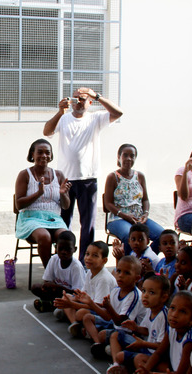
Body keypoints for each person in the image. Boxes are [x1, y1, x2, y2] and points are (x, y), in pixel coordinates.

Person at [43, 87, 123, 261]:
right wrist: (59, 112)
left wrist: (97, 95)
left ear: (90, 102)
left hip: (88, 179)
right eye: (75, 98)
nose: (77, 102)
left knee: (88, 224)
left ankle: (85, 261)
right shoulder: (64, 119)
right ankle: (63, 258)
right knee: (63, 222)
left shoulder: (96, 118)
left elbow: (118, 113)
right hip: (65, 179)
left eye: (82, 99)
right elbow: (47, 131)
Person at [14, 138, 71, 267]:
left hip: (54, 219)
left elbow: (66, 206)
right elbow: (19, 204)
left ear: (51, 156)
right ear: (32, 155)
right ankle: (49, 273)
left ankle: (63, 273)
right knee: (44, 237)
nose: (44, 156)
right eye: (40, 152)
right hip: (30, 218)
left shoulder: (59, 175)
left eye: (47, 152)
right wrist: (38, 193)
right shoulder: (25, 174)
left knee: (66, 238)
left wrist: (63, 194)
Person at [104, 143, 164, 254]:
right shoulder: (113, 177)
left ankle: (145, 259)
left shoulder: (139, 176)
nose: (128, 158)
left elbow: (145, 199)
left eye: (132, 155)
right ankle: (129, 265)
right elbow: (108, 203)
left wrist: (145, 214)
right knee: (129, 236)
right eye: (125, 155)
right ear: (119, 157)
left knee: (162, 235)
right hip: (118, 219)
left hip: (139, 219)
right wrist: (124, 216)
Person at [136, 291, 192, 374]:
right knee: (139, 359)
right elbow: (159, 353)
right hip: (171, 368)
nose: (174, 314)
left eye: (182, 312)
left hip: (181, 372)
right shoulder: (172, 328)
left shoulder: (190, 340)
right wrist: (146, 369)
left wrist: (151, 373)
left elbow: (181, 372)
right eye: (172, 308)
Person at [31, 230, 85, 313]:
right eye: (61, 249)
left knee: (69, 299)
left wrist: (57, 287)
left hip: (70, 296)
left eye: (68, 249)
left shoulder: (76, 267)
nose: (64, 252)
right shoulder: (54, 259)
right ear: (56, 247)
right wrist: (48, 285)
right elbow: (47, 280)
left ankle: (52, 305)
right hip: (56, 292)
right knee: (36, 287)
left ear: (74, 249)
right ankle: (53, 304)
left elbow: (77, 294)